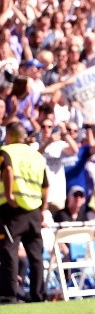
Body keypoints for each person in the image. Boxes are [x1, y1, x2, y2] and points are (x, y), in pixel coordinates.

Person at [0, 121, 48, 304]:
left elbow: (9, 169)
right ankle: (38, 295)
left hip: (12, 210)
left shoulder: (7, 151)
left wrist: (9, 193)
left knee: (9, 250)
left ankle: (8, 295)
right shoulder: (36, 156)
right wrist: (42, 208)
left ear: (10, 136)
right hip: (34, 210)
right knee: (36, 255)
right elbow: (46, 185)